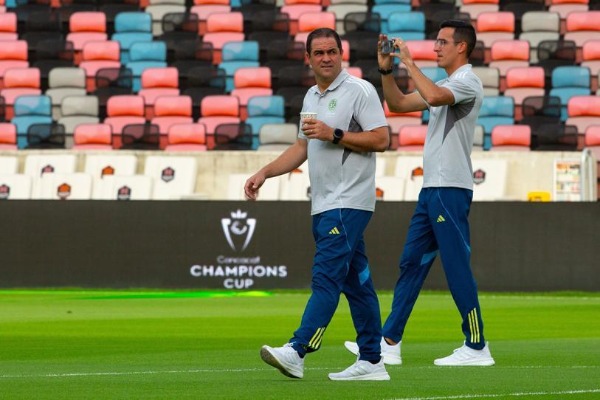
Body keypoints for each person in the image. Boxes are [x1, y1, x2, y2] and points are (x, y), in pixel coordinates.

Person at [344, 20, 495, 366]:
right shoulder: (446, 84)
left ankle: (476, 345)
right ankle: (389, 341)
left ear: (462, 47)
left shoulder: (467, 81)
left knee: (456, 266)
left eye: (443, 42)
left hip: (450, 187)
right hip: (432, 189)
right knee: (411, 262)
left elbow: (435, 96)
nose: (436, 47)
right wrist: (387, 70)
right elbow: (397, 104)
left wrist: (410, 63)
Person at [244, 27, 391, 380]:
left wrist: (334, 134)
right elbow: (301, 148)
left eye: (332, 51)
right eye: (319, 53)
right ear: (308, 58)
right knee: (357, 284)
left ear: (341, 54)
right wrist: (265, 172)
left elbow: (382, 139)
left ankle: (298, 350)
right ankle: (372, 360)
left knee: (326, 278)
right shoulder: (311, 97)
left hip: (348, 201)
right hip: (324, 203)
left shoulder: (360, 90)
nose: (327, 58)